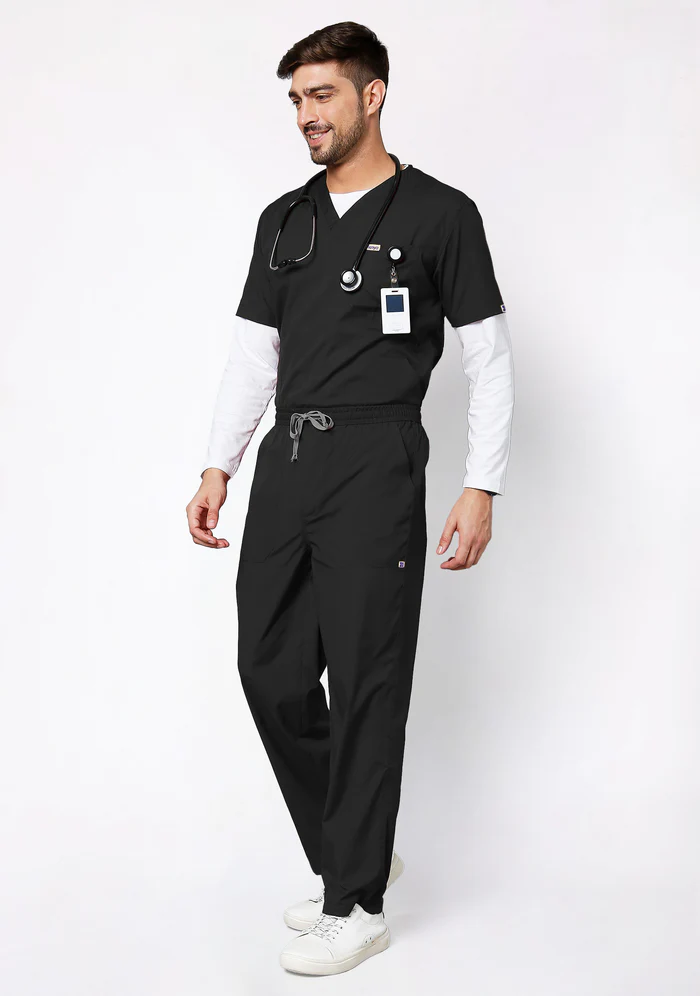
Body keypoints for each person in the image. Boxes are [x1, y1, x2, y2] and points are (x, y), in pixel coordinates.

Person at [186, 21, 515, 977]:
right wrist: (218, 466)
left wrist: (481, 483)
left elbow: (489, 357)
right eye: (296, 99)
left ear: (373, 95)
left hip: (378, 459)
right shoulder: (283, 221)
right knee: (269, 669)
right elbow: (254, 356)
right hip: (290, 460)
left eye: (322, 94)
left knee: (368, 677)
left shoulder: (441, 214)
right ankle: (354, 850)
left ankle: (357, 901)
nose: (306, 114)